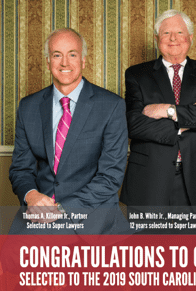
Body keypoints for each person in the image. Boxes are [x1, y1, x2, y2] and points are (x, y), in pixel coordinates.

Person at [8, 28, 129, 234]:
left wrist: (61, 211)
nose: (64, 63)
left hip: (94, 220)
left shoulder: (111, 106)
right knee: (11, 261)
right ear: (48, 62)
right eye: (57, 55)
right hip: (39, 218)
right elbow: (21, 169)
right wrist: (31, 196)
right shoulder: (28, 107)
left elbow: (109, 178)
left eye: (72, 54)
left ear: (83, 60)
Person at [120, 9, 196, 207]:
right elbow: (134, 124)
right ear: (156, 39)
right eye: (165, 33)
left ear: (190, 38)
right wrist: (192, 116)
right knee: (149, 239)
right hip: (149, 181)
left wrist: (169, 111)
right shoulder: (137, 74)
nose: (173, 39)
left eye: (179, 33)